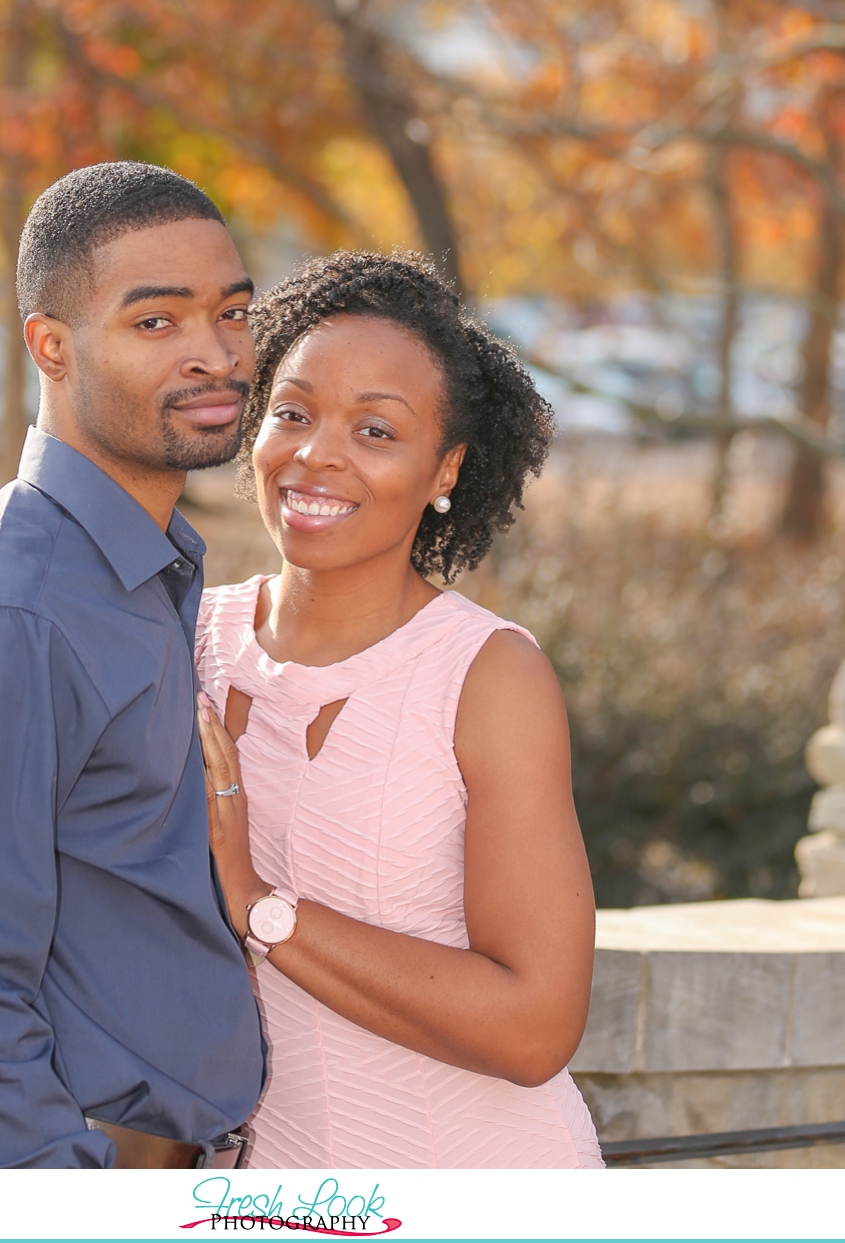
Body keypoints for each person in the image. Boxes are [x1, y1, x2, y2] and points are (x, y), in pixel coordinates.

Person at [0, 162, 265, 1169]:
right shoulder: (6, 614)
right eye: (156, 322)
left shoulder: (141, 574)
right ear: (51, 346)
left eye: (231, 314)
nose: (214, 354)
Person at [194, 250, 603, 1169]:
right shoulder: (185, 636)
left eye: (376, 430)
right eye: (292, 412)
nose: (317, 453)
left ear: (444, 466)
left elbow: (536, 1027)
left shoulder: (487, 677)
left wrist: (258, 905)